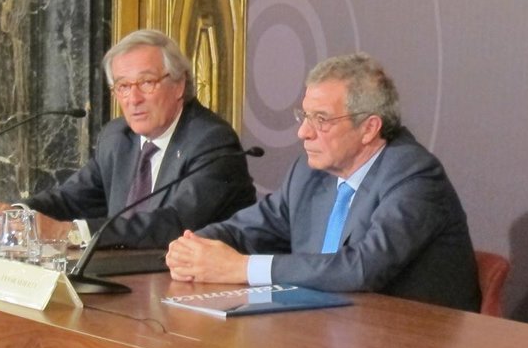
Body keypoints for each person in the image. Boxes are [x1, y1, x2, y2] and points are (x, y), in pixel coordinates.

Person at [166, 52, 480, 310]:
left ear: (369, 128)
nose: (303, 132)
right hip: (323, 333)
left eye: (321, 119)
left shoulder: (414, 176)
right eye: (305, 116)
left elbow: (362, 268)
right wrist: (194, 248)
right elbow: (247, 229)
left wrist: (242, 268)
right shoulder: (309, 172)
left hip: (409, 344)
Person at [0, 29, 256, 249]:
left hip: (194, 286)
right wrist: (17, 215)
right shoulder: (118, 137)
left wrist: (71, 232)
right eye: (123, 86)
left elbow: (173, 224)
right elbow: (71, 199)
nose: (133, 99)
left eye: (146, 83)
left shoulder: (212, 142)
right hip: (126, 275)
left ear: (179, 85)